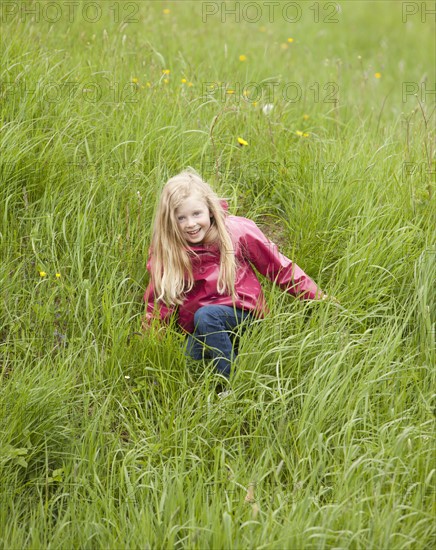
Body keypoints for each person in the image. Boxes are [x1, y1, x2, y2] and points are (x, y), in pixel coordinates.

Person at [142, 169, 330, 380]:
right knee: (184, 358)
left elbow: (279, 267)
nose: (191, 224)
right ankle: (233, 354)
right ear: (170, 221)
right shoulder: (168, 250)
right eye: (181, 218)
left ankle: (231, 383)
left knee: (206, 316)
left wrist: (319, 298)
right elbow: (159, 299)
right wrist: (152, 341)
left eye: (196, 214)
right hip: (204, 329)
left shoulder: (236, 231)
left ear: (210, 210)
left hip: (243, 317)